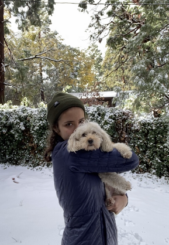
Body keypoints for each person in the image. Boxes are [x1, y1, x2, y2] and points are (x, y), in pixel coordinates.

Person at [45, 92, 139, 245]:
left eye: (81, 122)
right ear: (56, 128)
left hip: (104, 233)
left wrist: (123, 199)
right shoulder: (73, 153)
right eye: (69, 124)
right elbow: (131, 160)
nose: (77, 130)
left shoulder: (75, 152)